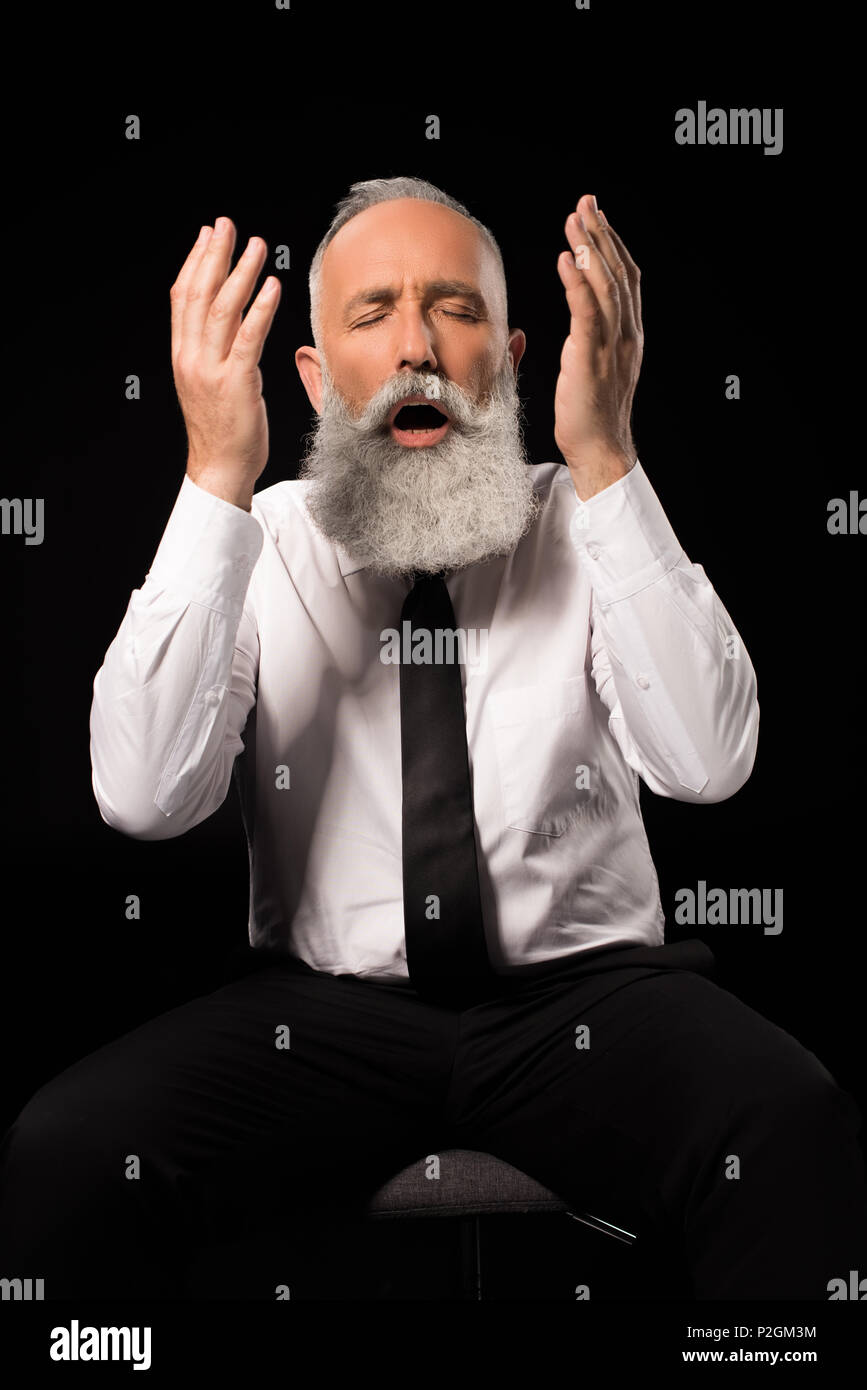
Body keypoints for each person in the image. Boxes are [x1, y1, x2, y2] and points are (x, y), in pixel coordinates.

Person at [1, 176, 865, 1301]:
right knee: (66, 1158)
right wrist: (214, 474)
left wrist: (608, 457)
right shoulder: (254, 539)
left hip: (586, 1003)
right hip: (322, 1018)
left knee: (792, 1125)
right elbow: (143, 794)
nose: (416, 346)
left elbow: (709, 764)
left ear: (506, 357)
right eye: (371, 315)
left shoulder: (585, 517)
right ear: (313, 377)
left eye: (454, 308)